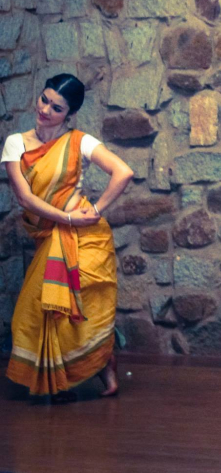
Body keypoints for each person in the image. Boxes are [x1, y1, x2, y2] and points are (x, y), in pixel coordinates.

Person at [3, 74, 134, 399]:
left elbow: (124, 172)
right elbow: (24, 198)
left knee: (78, 307)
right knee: (38, 310)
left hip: (87, 236)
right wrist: (67, 218)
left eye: (56, 107)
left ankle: (101, 367)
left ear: (69, 115)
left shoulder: (79, 141)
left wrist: (97, 210)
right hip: (55, 230)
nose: (45, 109)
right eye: (44, 99)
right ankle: (81, 373)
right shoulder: (15, 143)